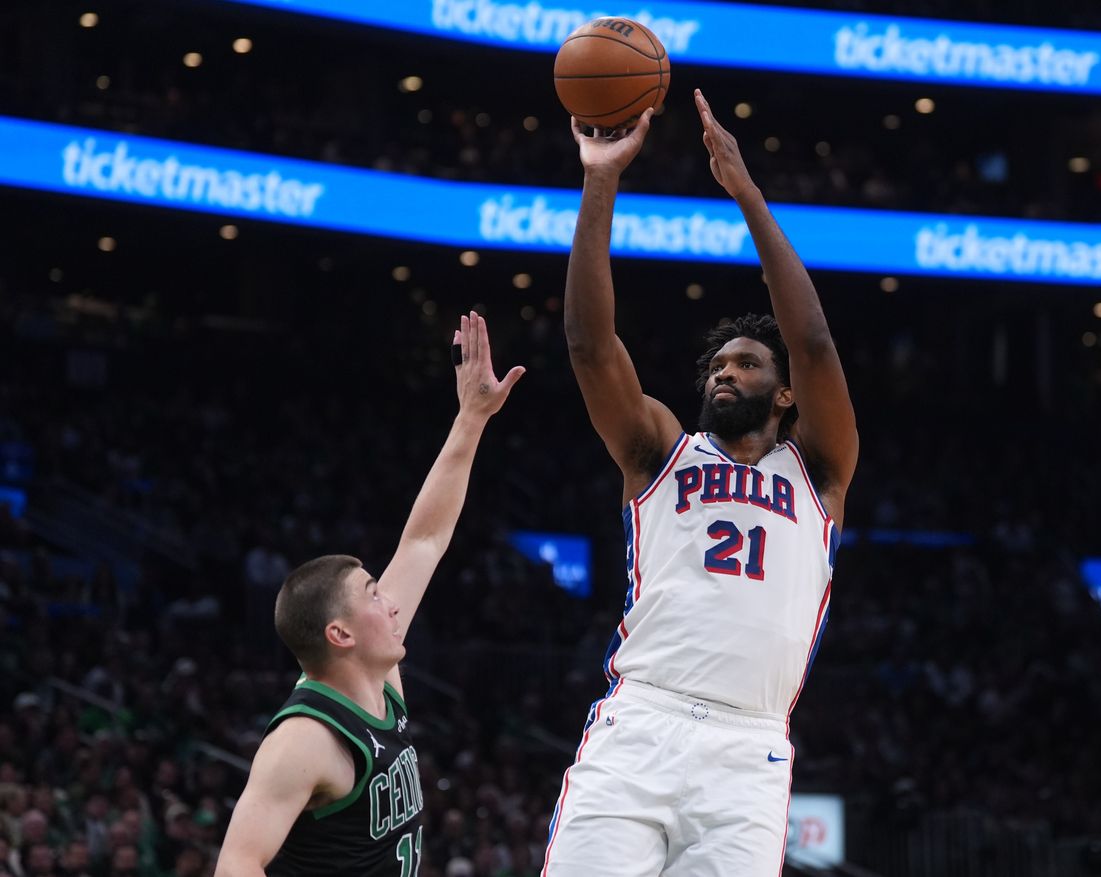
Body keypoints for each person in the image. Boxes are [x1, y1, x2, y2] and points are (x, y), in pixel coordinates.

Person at [542, 91, 859, 876]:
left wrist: (747, 195)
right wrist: (601, 179)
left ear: (783, 394)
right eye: (717, 365)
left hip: (749, 747)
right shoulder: (661, 451)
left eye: (746, 363)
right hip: (642, 719)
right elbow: (588, 345)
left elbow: (813, 341)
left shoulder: (817, 470)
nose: (726, 372)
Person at [215, 313, 524, 877]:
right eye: (373, 593)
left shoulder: (377, 677)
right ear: (341, 633)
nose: (392, 602)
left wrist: (472, 418)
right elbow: (236, 864)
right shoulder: (305, 740)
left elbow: (424, 540)